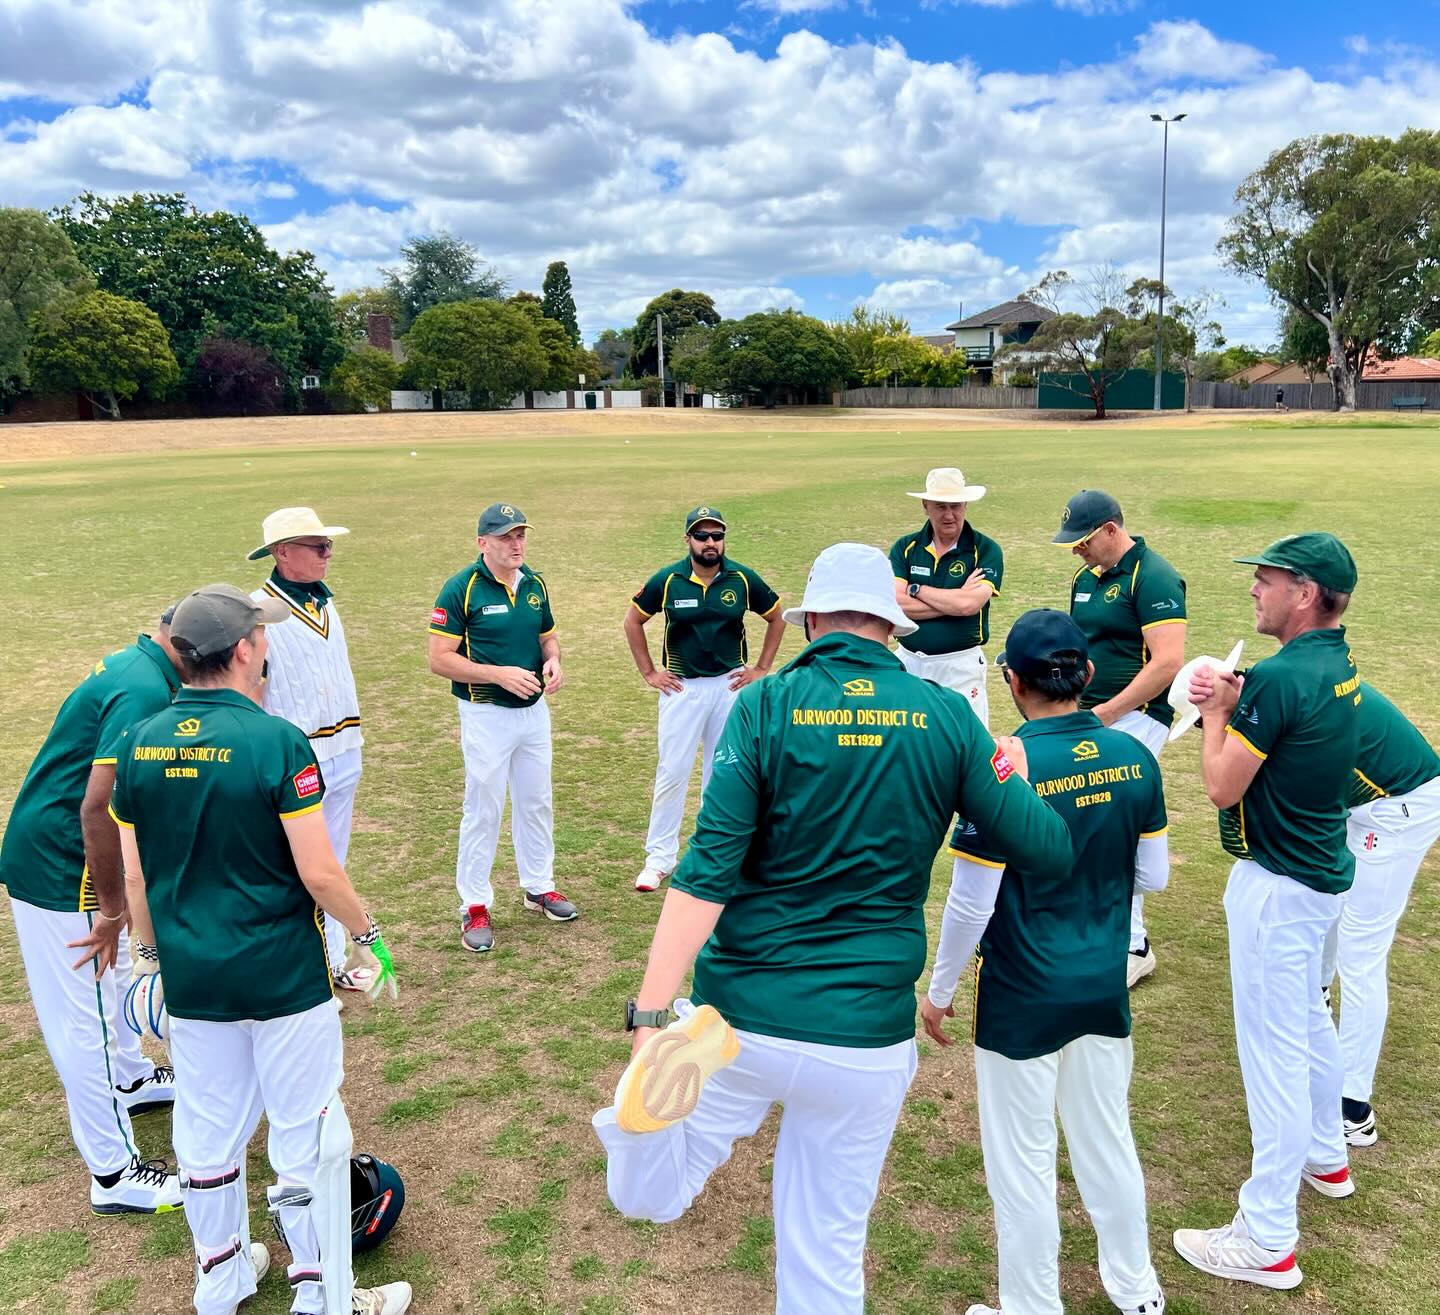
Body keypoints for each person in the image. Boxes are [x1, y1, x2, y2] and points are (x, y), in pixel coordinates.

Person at [591, 543, 1073, 1315]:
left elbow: (707, 871)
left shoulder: (766, 705)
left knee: (654, 1190)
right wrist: (1010, 763)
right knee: (825, 1257)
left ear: (813, 620)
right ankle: (649, 1132)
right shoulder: (946, 713)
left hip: (740, 1023)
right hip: (865, 1038)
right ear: (891, 624)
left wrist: (651, 1013)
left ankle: (641, 1138)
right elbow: (1049, 848)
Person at [110, 584, 409, 1315]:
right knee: (305, 1130)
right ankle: (324, 1295)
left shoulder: (137, 742)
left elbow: (136, 875)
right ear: (244, 649)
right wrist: (370, 937)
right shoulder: (277, 740)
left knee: (208, 1134)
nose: (268, 645)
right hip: (283, 980)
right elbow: (319, 870)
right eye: (262, 636)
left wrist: (149, 961)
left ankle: (221, 1278)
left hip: (195, 983)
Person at [921, 609, 1169, 1315]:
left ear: (1010, 680)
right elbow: (1152, 877)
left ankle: (1032, 1305)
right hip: (1101, 983)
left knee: (1022, 1164)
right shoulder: (1136, 756)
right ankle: (1137, 1288)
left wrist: (938, 992)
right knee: (1106, 1139)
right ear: (1087, 675)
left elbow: (971, 903)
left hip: (1023, 994)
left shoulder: (1003, 764)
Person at [1173, 533, 1360, 1293]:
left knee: (1273, 1054)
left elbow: (1222, 786)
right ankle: (1328, 1154)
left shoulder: (1284, 678)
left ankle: (1268, 1237)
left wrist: (1218, 711)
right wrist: (1245, 691)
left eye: (1267, 580)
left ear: (1306, 593)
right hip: (1317, 879)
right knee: (1309, 1023)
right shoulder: (1334, 660)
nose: (1255, 591)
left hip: (1281, 887)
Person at [0, 608, 183, 1216]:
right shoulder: (143, 688)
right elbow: (97, 807)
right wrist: (110, 907)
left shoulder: (144, 668)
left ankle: (130, 1080)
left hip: (67, 853)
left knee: (109, 989)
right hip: (62, 864)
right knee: (83, 1017)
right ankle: (113, 1174)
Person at [1052, 489, 1186, 989]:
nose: (1077, 551)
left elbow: (1168, 661)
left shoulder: (1153, 575)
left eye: (1083, 541)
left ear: (1111, 529)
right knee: (1084, 819)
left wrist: (1107, 713)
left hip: (1138, 718)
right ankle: (1099, 927)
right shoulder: (1085, 578)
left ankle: (1134, 944)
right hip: (1090, 718)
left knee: (1117, 826)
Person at [428, 502, 575, 954]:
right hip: (486, 713)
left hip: (533, 712)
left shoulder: (534, 582)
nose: (517, 544)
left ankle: (539, 885)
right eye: (507, 536)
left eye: (521, 535)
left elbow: (546, 635)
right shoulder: (461, 589)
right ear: (483, 542)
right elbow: (439, 659)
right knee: (484, 805)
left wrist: (553, 661)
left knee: (536, 800)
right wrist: (500, 673)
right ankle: (474, 903)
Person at [624, 505, 785, 892]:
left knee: (724, 772)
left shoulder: (742, 579)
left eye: (717, 536)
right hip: (681, 688)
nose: (710, 542)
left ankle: (713, 854)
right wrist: (649, 672)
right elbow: (633, 620)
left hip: (729, 687)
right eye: (702, 536)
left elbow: (777, 616)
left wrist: (760, 668)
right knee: (673, 772)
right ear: (688, 540)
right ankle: (659, 860)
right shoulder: (669, 579)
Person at [248, 506, 370, 994]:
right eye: (317, 546)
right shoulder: (258, 610)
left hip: (345, 747)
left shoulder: (326, 603)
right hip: (296, 759)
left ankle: (334, 959)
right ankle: (306, 972)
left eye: (328, 545)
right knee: (300, 868)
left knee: (333, 864)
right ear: (282, 552)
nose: (328, 553)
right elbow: (252, 689)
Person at [1321, 682, 1440, 1147]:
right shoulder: (1273, 689)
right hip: (1370, 801)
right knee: (1328, 900)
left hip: (1400, 808)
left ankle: (1353, 1105)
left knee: (1362, 956)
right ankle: (1318, 1004)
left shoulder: (1274, 709)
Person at [891, 467, 1003, 727]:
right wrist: (955, 600)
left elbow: (970, 605)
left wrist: (917, 590)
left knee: (967, 744)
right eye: (940, 506)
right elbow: (896, 603)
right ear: (925, 506)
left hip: (960, 666)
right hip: (909, 662)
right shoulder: (905, 548)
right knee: (911, 745)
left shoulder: (985, 549)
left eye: (956, 506)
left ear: (965, 505)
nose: (949, 515)